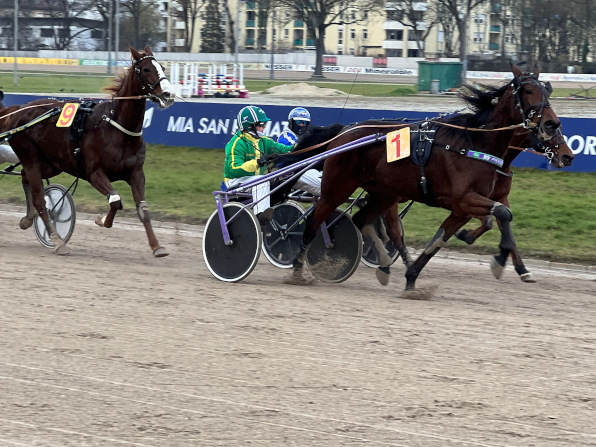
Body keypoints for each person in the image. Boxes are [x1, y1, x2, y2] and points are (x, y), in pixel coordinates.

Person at [224, 105, 294, 223]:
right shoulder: (236, 143)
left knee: (280, 179)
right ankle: (260, 217)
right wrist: (257, 163)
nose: (264, 127)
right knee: (262, 180)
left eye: (264, 124)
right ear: (250, 126)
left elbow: (284, 149)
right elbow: (233, 169)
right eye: (261, 124)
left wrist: (303, 145)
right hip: (234, 181)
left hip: (252, 181)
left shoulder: (264, 141)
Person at [277, 107, 322, 197]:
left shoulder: (305, 137)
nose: (302, 125)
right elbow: (299, 151)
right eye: (299, 122)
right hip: (289, 172)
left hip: (303, 169)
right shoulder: (286, 136)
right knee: (324, 185)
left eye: (305, 123)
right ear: (291, 122)